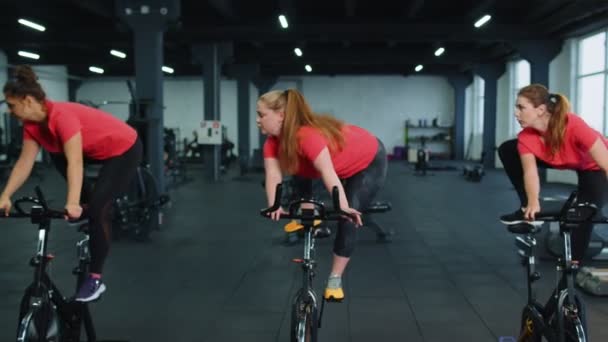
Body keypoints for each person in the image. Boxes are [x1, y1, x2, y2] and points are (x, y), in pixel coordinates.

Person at [0, 65, 142, 302]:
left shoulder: (61, 117)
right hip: (92, 150)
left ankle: (95, 280)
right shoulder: (32, 126)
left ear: (27, 101)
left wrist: (73, 203)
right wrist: (5, 195)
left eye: (12, 105)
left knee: (98, 211)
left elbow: (75, 162)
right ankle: (86, 207)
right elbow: (24, 163)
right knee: (56, 151)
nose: (11, 111)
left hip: (124, 149)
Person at [257, 88, 387, 301]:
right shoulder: (272, 142)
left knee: (347, 217)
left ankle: (335, 279)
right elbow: (273, 173)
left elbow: (329, 175)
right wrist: (274, 205)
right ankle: (309, 217)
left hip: (367, 159)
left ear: (280, 116)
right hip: (331, 161)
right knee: (299, 166)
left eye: (261, 115)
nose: (257, 120)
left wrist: (343, 207)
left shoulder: (307, 137)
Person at [498, 83, 608, 317]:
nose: (516, 113)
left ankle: (566, 288)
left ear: (540, 110)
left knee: (584, 216)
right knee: (507, 149)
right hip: (559, 158)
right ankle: (527, 209)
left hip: (593, 167)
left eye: (521, 107)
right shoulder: (526, 138)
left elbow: (606, 164)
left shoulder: (573, 124)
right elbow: (529, 172)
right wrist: (533, 201)